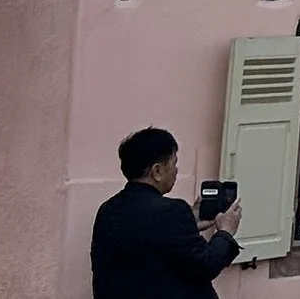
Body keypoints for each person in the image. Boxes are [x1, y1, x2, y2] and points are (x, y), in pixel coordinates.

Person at [90, 126, 241, 298]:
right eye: (174, 163)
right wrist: (225, 232)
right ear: (157, 171)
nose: (176, 170)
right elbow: (206, 265)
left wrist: (189, 220)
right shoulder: (171, 211)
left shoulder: (108, 209)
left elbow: (149, 243)